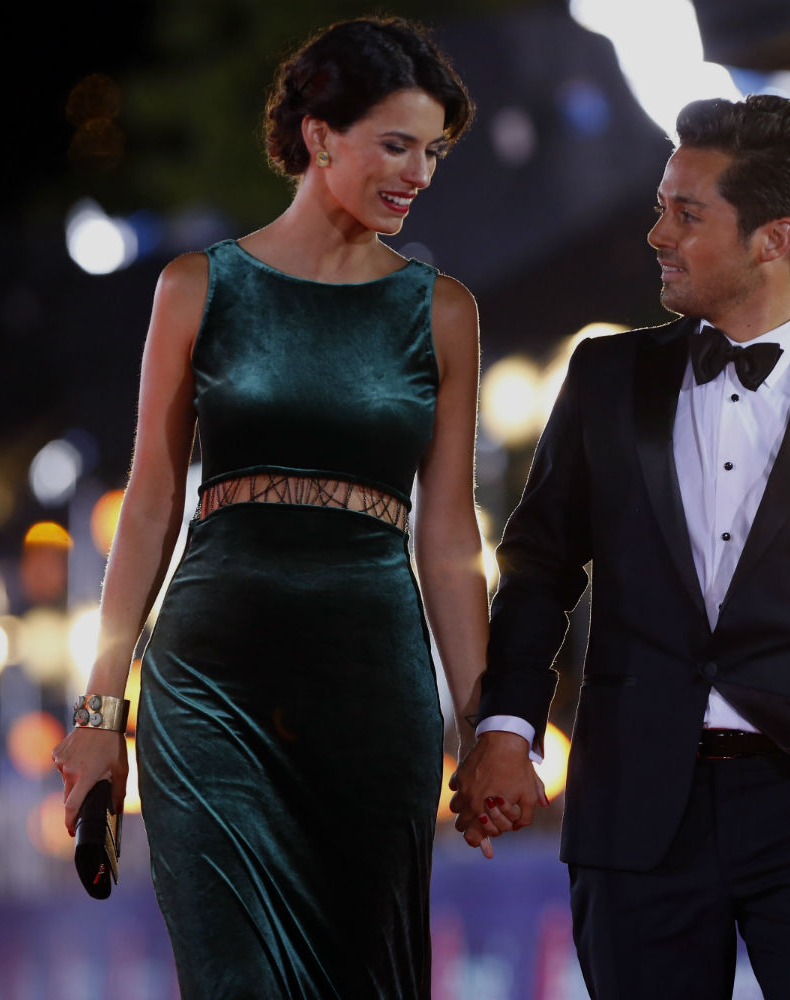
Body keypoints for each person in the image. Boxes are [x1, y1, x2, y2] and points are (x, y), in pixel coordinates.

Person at [451, 95, 790, 997]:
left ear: (774, 238)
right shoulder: (605, 378)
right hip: (632, 803)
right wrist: (506, 727)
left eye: (686, 214)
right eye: (661, 207)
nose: (657, 233)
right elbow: (538, 566)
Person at [51, 18, 487, 998]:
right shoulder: (196, 288)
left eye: (433, 152)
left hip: (373, 690)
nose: (418, 174)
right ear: (320, 134)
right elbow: (151, 504)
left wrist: (484, 724)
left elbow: (449, 534)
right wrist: (101, 709)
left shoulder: (443, 312)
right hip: (213, 685)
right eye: (396, 145)